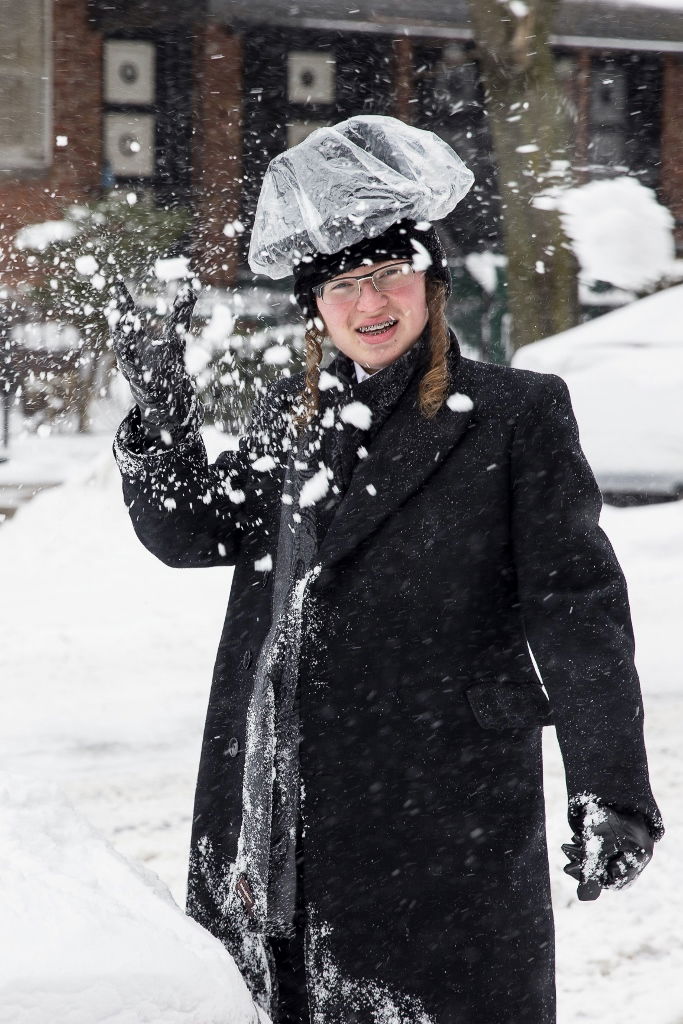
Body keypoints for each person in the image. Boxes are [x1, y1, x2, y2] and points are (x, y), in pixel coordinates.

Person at [110, 116, 662, 1024]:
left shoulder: (511, 414)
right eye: (340, 284)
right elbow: (190, 535)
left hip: (442, 807)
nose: (369, 305)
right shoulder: (292, 425)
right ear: (313, 308)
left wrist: (611, 788)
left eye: (387, 274)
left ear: (429, 280)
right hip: (275, 809)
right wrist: (163, 413)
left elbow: (576, 609)